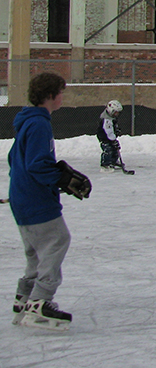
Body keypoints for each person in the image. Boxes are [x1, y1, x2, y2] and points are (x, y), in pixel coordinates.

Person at [8, 72, 88, 331]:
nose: (62, 97)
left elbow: (14, 160)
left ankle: (24, 300)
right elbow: (37, 165)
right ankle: (40, 302)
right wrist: (62, 179)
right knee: (57, 240)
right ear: (51, 96)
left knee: (36, 254)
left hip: (23, 199)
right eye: (61, 92)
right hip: (36, 201)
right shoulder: (39, 124)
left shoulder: (27, 122)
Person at [97, 99, 125, 172]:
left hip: (109, 136)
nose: (117, 114)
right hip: (105, 137)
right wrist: (113, 140)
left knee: (114, 148)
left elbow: (113, 127)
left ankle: (113, 161)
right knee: (108, 149)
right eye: (115, 112)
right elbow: (108, 131)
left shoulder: (111, 118)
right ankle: (105, 164)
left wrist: (117, 130)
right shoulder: (106, 119)